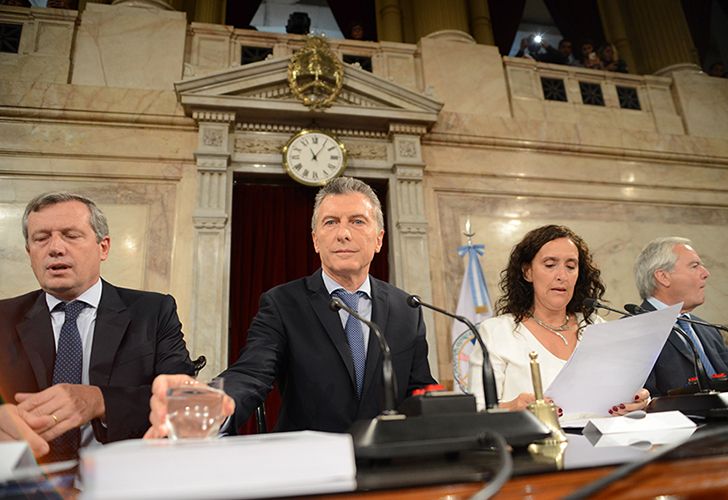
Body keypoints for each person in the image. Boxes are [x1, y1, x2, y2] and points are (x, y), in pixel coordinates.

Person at [145, 177, 436, 438]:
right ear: (315, 240)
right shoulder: (283, 303)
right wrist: (211, 402)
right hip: (309, 464)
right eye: (330, 222)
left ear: (379, 239)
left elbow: (419, 389)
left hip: (391, 463)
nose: (343, 233)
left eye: (358, 221)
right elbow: (252, 373)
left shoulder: (406, 307)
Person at [0, 192, 194, 461]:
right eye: (41, 238)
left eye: (71, 235)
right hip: (26, 481)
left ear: (103, 247)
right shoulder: (4, 318)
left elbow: (182, 398)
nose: (55, 248)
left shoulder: (153, 312)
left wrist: (101, 401)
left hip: (126, 475)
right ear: (29, 252)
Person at [468, 225, 650, 415]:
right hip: (533, 442)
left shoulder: (595, 326)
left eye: (571, 266)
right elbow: (475, 412)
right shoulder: (497, 332)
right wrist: (513, 408)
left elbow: (625, 391)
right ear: (527, 272)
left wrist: (638, 400)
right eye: (550, 265)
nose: (562, 276)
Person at [634, 237, 728, 396]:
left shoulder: (708, 330)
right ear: (663, 277)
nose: (705, 273)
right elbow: (641, 402)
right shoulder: (633, 331)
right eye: (695, 266)